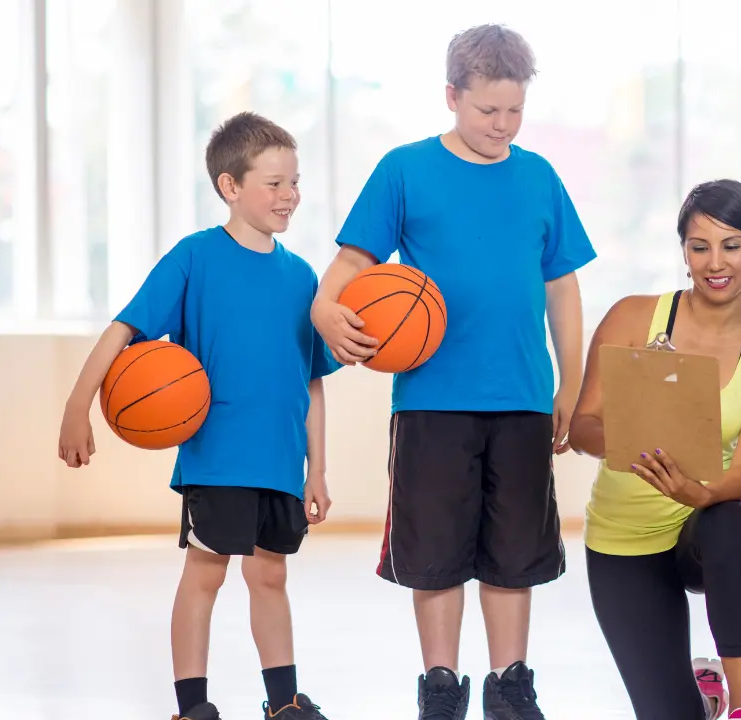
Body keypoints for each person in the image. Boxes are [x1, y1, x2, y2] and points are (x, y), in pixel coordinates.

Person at [309, 24, 595, 720]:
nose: (501, 125)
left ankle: (510, 683)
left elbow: (562, 288)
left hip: (523, 396)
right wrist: (323, 305)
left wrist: (572, 383)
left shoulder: (538, 177)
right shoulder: (404, 170)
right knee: (434, 553)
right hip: (432, 399)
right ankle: (441, 684)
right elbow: (353, 265)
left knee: (513, 553)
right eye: (486, 110)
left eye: (513, 111)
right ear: (451, 96)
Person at [56, 112, 338, 720]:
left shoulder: (302, 276)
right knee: (205, 574)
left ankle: (284, 703)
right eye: (273, 183)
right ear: (229, 187)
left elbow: (311, 382)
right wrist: (78, 405)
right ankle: (193, 706)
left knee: (270, 578)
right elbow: (125, 328)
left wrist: (317, 470)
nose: (289, 195)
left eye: (295, 181)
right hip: (219, 457)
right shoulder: (195, 259)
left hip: (282, 461)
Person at [568, 179, 741, 720]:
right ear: (685, 253)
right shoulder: (631, 317)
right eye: (700, 247)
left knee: (725, 521)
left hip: (708, 523)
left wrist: (699, 490)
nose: (715, 262)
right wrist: (635, 441)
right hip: (624, 539)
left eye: (732, 245)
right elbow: (582, 426)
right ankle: (701, 695)